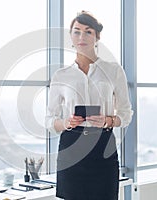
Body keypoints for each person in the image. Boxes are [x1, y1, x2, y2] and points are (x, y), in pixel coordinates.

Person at [45, 11, 133, 200]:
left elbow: (126, 113)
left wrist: (108, 120)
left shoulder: (113, 71)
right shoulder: (61, 75)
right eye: (76, 32)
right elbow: (49, 119)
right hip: (71, 147)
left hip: (103, 146)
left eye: (88, 32)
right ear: (71, 37)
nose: (81, 37)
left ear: (97, 37)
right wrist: (67, 123)